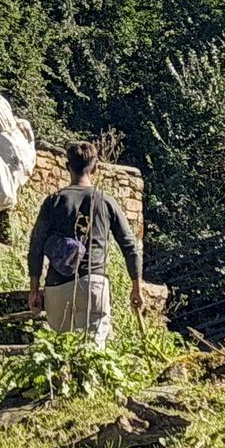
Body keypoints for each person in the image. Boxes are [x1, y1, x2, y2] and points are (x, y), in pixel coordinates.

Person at [26, 141, 143, 347]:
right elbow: (130, 246)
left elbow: (36, 246)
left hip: (57, 287)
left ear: (67, 166)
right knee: (92, 353)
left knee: (60, 351)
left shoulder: (53, 202)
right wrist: (136, 287)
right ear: (95, 167)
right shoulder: (106, 202)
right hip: (93, 284)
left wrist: (34, 289)